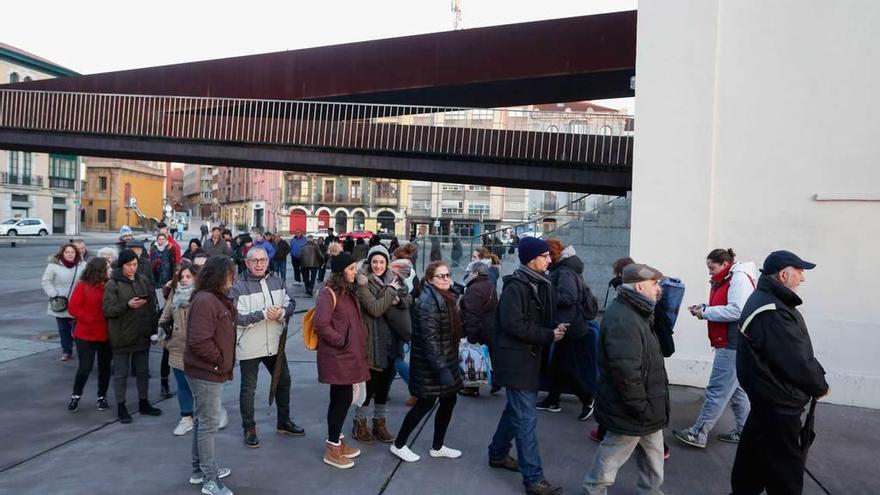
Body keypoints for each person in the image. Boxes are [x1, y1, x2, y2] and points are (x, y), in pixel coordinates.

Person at [731, 250, 828, 495]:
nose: (802, 279)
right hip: (778, 402)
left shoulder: (765, 300)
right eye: (800, 272)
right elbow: (795, 359)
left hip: (767, 397)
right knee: (785, 473)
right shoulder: (773, 310)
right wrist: (819, 385)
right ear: (784, 274)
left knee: (752, 460)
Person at [487, 237, 567, 495]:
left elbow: (539, 318)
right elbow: (513, 325)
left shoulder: (539, 283)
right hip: (517, 362)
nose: (550, 259)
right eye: (545, 256)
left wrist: (555, 328)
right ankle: (534, 479)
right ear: (532, 259)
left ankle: (498, 453)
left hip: (527, 360)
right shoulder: (517, 287)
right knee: (526, 421)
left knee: (515, 411)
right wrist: (548, 335)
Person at [582, 263, 668, 495]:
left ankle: (650, 492)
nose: (659, 288)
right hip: (633, 407)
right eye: (655, 284)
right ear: (640, 286)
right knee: (611, 456)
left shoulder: (637, 311)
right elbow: (626, 373)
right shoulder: (624, 318)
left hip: (646, 406)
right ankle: (593, 491)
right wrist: (640, 407)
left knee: (653, 457)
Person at [673, 248, 755, 449]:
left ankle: (698, 434)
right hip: (734, 343)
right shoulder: (731, 277)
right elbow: (730, 305)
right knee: (737, 392)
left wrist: (705, 312)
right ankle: (746, 432)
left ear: (724, 264)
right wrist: (704, 307)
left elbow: (737, 310)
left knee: (717, 391)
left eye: (712, 267)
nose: (710, 272)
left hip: (731, 343)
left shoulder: (738, 279)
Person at [230, 246, 303, 448]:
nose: (259, 264)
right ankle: (249, 427)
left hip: (275, 344)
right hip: (250, 345)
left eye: (263, 260)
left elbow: (291, 303)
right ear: (247, 263)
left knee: (284, 382)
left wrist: (280, 313)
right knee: (248, 389)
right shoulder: (237, 287)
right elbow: (237, 318)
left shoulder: (277, 281)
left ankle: (284, 421)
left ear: (268, 261)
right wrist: (263, 314)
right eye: (255, 261)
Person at [391, 261, 463, 463]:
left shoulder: (446, 296)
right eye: (441, 276)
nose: (447, 278)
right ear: (430, 279)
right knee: (425, 403)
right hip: (431, 364)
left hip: (446, 359)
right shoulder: (428, 303)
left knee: (449, 400)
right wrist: (441, 369)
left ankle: (438, 446)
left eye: (448, 274)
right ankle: (399, 444)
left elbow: (455, 292)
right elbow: (430, 341)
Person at [185, 256, 236, 494]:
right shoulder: (206, 301)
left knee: (202, 421)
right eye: (229, 275)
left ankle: (201, 470)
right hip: (206, 372)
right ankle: (209, 479)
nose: (232, 279)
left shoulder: (214, 298)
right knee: (208, 424)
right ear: (219, 276)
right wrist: (220, 361)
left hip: (208, 371)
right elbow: (199, 341)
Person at [314, 252, 369, 469]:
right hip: (338, 356)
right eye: (351, 269)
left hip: (348, 355)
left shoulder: (348, 291)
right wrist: (342, 341)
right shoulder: (327, 293)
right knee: (342, 399)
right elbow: (322, 325)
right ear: (340, 271)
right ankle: (332, 448)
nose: (355, 272)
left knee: (340, 399)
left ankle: (336, 439)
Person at [352, 245, 411, 445]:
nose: (378, 265)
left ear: (387, 263)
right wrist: (391, 293)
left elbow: (408, 297)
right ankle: (359, 423)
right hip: (372, 341)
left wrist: (398, 301)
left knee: (385, 387)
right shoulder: (362, 282)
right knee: (369, 387)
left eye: (382, 262)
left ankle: (379, 423)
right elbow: (375, 308)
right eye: (375, 261)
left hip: (391, 341)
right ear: (370, 262)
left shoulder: (393, 278)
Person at [537, 241, 599, 421]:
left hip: (569, 325)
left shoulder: (564, 271)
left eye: (546, 255)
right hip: (568, 323)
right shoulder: (567, 268)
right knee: (557, 365)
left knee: (564, 366)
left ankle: (587, 397)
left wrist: (545, 295)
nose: (546, 259)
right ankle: (553, 400)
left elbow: (569, 296)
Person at [160, 264, 223, 436]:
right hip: (177, 348)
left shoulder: (204, 297)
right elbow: (164, 317)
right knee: (182, 385)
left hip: (199, 350)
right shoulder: (175, 294)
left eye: (189, 276)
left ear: (197, 278)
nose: (185, 280)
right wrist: (164, 339)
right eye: (182, 277)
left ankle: (212, 414)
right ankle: (186, 417)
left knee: (203, 387)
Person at [102, 248, 162, 423]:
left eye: (135, 264)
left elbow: (151, 307)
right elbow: (107, 310)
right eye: (129, 265)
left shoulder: (142, 280)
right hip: (121, 335)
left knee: (143, 371)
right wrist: (127, 305)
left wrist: (153, 330)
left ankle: (144, 402)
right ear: (121, 265)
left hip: (141, 334)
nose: (132, 268)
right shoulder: (112, 284)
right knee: (121, 373)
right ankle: (121, 406)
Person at [67, 257, 113, 413]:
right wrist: (89, 318)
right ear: (99, 271)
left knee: (105, 367)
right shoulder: (83, 286)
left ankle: (102, 396)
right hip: (85, 334)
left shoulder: (110, 286)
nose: (110, 270)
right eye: (107, 268)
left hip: (106, 334)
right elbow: (73, 307)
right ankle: (76, 395)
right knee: (85, 367)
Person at [458, 259, 497, 397]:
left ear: (475, 273)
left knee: (473, 357)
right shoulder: (489, 285)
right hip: (489, 327)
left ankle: (472, 387)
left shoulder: (474, 289)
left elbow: (471, 313)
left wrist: (471, 335)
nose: (467, 275)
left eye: (469, 272)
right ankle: (495, 382)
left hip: (477, 328)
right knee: (486, 356)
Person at [42, 243, 85, 361]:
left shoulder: (83, 266)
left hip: (78, 302)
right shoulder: (53, 266)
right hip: (60, 303)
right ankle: (66, 351)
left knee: (78, 329)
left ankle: (82, 350)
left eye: (72, 252)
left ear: (76, 253)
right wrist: (53, 293)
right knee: (63, 329)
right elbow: (46, 281)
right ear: (62, 253)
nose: (70, 254)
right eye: (67, 252)